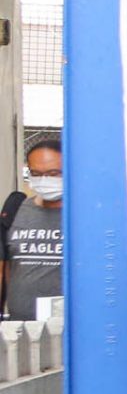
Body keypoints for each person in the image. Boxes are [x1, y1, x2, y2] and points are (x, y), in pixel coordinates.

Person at [2, 132, 64, 321]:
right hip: (21, 331)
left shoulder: (86, 217)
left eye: (53, 174)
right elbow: (7, 267)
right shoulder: (16, 210)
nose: (44, 180)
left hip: (71, 333)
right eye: (36, 174)